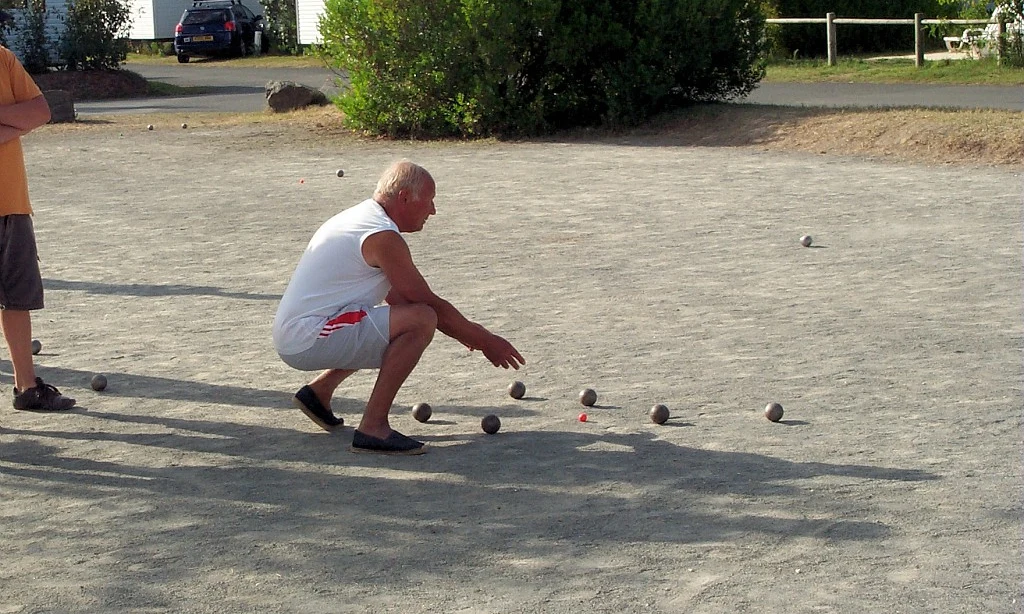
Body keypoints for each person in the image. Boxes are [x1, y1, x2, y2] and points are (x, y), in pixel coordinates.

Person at [273, 160, 525, 455]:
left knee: (396, 321)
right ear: (404, 197)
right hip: (307, 336)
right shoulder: (381, 236)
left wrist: (463, 332)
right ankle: (373, 428)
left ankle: (319, 393)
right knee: (421, 320)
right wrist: (483, 340)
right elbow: (424, 303)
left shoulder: (363, 218)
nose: (432, 210)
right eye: (429, 200)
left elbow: (398, 300)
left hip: (303, 332)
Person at [0, 45, 76, 412]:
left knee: (17, 297)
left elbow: (40, 111)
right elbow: (23, 117)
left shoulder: (2, 58)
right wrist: (11, 122)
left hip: (10, 200)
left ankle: (26, 387)